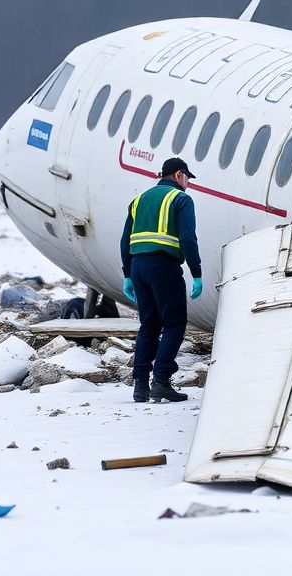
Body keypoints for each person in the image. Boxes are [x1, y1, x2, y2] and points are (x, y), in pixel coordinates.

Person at [120, 157, 203, 403]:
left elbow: (125, 240)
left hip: (138, 267)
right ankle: (161, 381)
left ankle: (140, 385)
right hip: (164, 266)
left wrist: (127, 274)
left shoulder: (138, 200)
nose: (188, 184)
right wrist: (196, 273)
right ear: (179, 175)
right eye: (187, 178)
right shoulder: (181, 199)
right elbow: (188, 237)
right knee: (174, 325)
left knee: (149, 325)